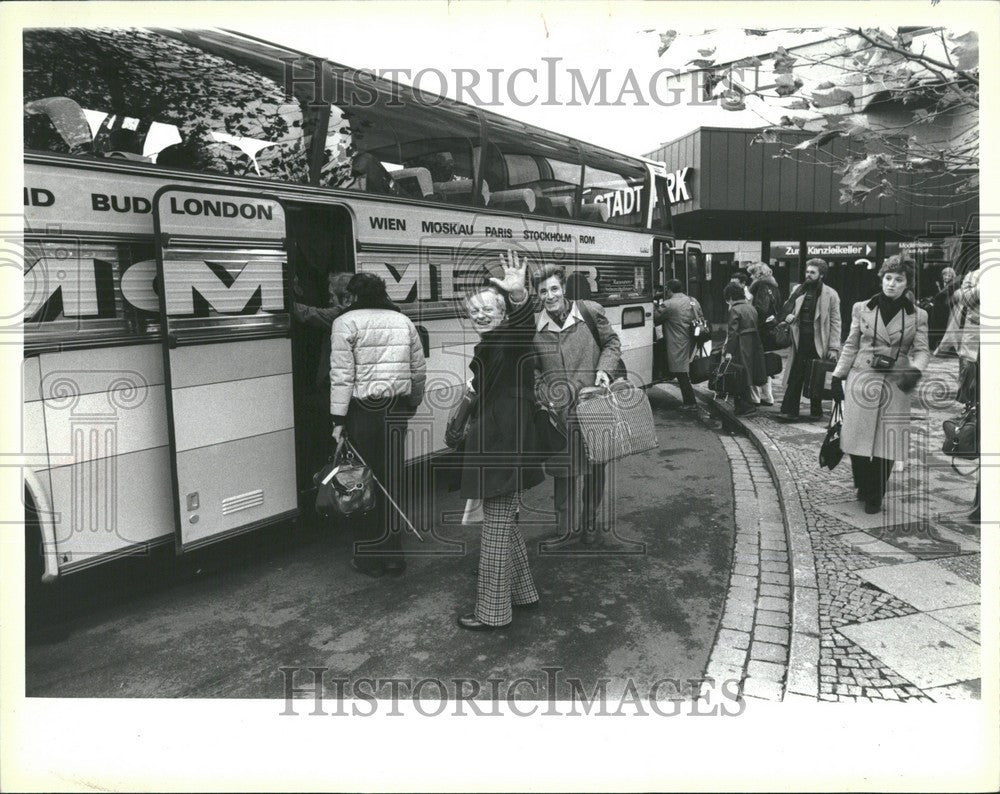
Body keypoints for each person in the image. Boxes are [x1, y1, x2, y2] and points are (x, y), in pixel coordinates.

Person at [455, 252, 544, 630]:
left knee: (494, 530)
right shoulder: (492, 343)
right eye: (474, 310)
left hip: (503, 447)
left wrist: (520, 296)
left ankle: (492, 614)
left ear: (504, 313)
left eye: (488, 308)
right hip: (498, 444)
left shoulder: (509, 337)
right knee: (503, 521)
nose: (479, 315)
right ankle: (524, 594)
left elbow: (524, 328)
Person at [329, 272, 426, 578]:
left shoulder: (345, 323)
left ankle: (370, 558)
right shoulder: (403, 321)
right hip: (395, 410)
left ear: (353, 296)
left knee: (362, 484)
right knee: (391, 481)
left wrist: (338, 420)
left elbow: (341, 376)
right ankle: (395, 556)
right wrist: (412, 403)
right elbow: (418, 370)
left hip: (362, 413)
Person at [532, 264, 622, 547]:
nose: (549, 296)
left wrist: (605, 370)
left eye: (554, 288)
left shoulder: (589, 312)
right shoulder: (535, 327)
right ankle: (566, 530)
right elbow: (532, 368)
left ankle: (589, 522)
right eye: (543, 291)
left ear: (564, 288)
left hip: (593, 404)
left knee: (596, 467)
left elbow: (612, 343)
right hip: (559, 413)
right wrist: (541, 391)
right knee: (563, 471)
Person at [831, 256, 929, 514]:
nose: (892, 284)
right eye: (888, 278)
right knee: (856, 438)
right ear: (881, 279)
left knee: (888, 440)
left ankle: (876, 494)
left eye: (899, 280)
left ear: (907, 284)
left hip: (896, 380)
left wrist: (915, 370)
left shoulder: (918, 315)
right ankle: (863, 484)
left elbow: (922, 350)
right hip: (862, 377)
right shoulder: (862, 307)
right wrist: (837, 375)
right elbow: (852, 343)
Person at [776, 258, 842, 422]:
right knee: (796, 375)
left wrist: (834, 347)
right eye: (807, 271)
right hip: (800, 341)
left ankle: (816, 411)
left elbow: (835, 322)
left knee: (817, 375)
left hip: (819, 341)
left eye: (812, 272)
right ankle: (789, 410)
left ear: (821, 275)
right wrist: (790, 317)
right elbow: (787, 309)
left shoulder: (831, 294)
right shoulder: (799, 290)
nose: (808, 275)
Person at [653, 278, 702, 410]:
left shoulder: (669, 304)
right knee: (684, 370)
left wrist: (653, 305)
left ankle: (691, 403)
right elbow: (701, 316)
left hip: (677, 341)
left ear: (669, 289)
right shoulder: (693, 300)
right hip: (692, 340)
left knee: (681, 373)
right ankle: (690, 401)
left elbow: (655, 319)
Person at [722, 281, 767, 417]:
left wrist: (728, 351)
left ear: (730, 297)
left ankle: (744, 406)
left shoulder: (734, 310)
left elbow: (733, 332)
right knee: (748, 373)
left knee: (739, 374)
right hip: (753, 341)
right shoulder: (751, 307)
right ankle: (747, 404)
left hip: (740, 343)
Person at [748, 262, 782, 406]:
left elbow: (760, 310)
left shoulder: (761, 287)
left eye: (752, 273)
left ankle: (755, 397)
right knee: (765, 363)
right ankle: (768, 396)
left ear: (759, 274)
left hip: (759, 330)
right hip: (770, 329)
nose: (750, 276)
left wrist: (749, 305)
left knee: (754, 363)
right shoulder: (774, 287)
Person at [925, 267, 958, 351]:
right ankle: (932, 345)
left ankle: (941, 347)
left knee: (943, 327)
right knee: (934, 326)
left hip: (946, 310)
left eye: (949, 275)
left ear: (952, 277)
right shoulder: (938, 283)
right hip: (936, 309)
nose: (947, 277)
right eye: (945, 275)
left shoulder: (953, 286)